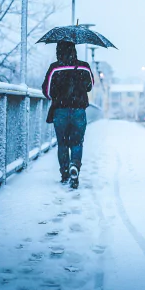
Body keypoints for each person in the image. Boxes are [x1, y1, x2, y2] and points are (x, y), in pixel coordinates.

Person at [42, 41, 94, 189]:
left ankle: (65, 173)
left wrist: (59, 95)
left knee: (63, 143)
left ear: (58, 50)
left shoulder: (55, 68)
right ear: (74, 50)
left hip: (60, 111)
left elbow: (46, 91)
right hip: (79, 110)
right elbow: (90, 86)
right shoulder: (84, 66)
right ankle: (75, 167)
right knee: (77, 143)